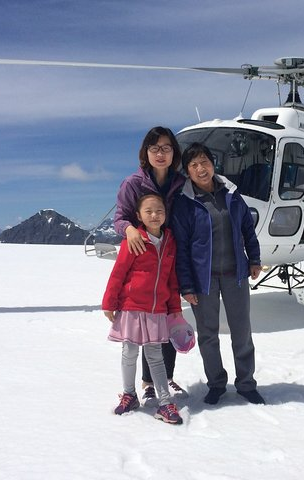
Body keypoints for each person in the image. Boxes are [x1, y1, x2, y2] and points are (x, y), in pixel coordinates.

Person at [172, 142, 265, 405]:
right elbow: (182, 248)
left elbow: (247, 228)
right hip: (204, 280)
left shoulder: (232, 195)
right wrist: (187, 286)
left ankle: (246, 384)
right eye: (193, 165)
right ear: (187, 172)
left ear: (213, 164)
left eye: (204, 162)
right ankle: (216, 384)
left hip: (235, 273)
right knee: (208, 334)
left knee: (242, 331)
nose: (201, 169)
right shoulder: (185, 203)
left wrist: (254, 258)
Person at [113, 126, 186, 404]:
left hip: (171, 255)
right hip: (144, 260)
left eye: (166, 148)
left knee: (168, 318)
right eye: (154, 148)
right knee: (145, 323)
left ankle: (164, 378)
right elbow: (120, 217)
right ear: (145, 153)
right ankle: (147, 383)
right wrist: (129, 230)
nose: (160, 153)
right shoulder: (133, 183)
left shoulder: (180, 183)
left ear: (174, 153)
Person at [103, 194, 184, 425]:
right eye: (148, 211)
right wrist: (109, 302)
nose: (154, 215)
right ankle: (129, 394)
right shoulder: (134, 240)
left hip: (157, 308)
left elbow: (171, 279)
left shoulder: (170, 241)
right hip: (131, 306)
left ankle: (165, 403)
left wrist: (174, 307)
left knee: (155, 356)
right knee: (129, 353)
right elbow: (118, 273)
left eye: (159, 210)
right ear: (138, 216)